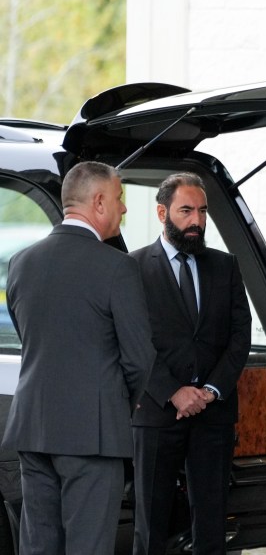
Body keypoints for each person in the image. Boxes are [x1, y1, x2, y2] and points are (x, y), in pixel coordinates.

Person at [2, 161, 156, 554]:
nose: (123, 209)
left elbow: (34, 342)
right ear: (99, 201)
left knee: (38, 545)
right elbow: (139, 358)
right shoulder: (118, 267)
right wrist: (116, 404)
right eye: (120, 199)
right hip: (94, 435)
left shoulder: (21, 263)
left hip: (33, 428)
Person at [130, 172, 252, 555]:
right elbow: (133, 343)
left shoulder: (225, 266)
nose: (196, 220)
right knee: (150, 523)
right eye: (186, 210)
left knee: (212, 523)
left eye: (202, 211)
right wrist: (174, 392)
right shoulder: (132, 268)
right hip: (156, 413)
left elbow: (239, 336)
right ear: (162, 212)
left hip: (213, 414)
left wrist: (211, 391)